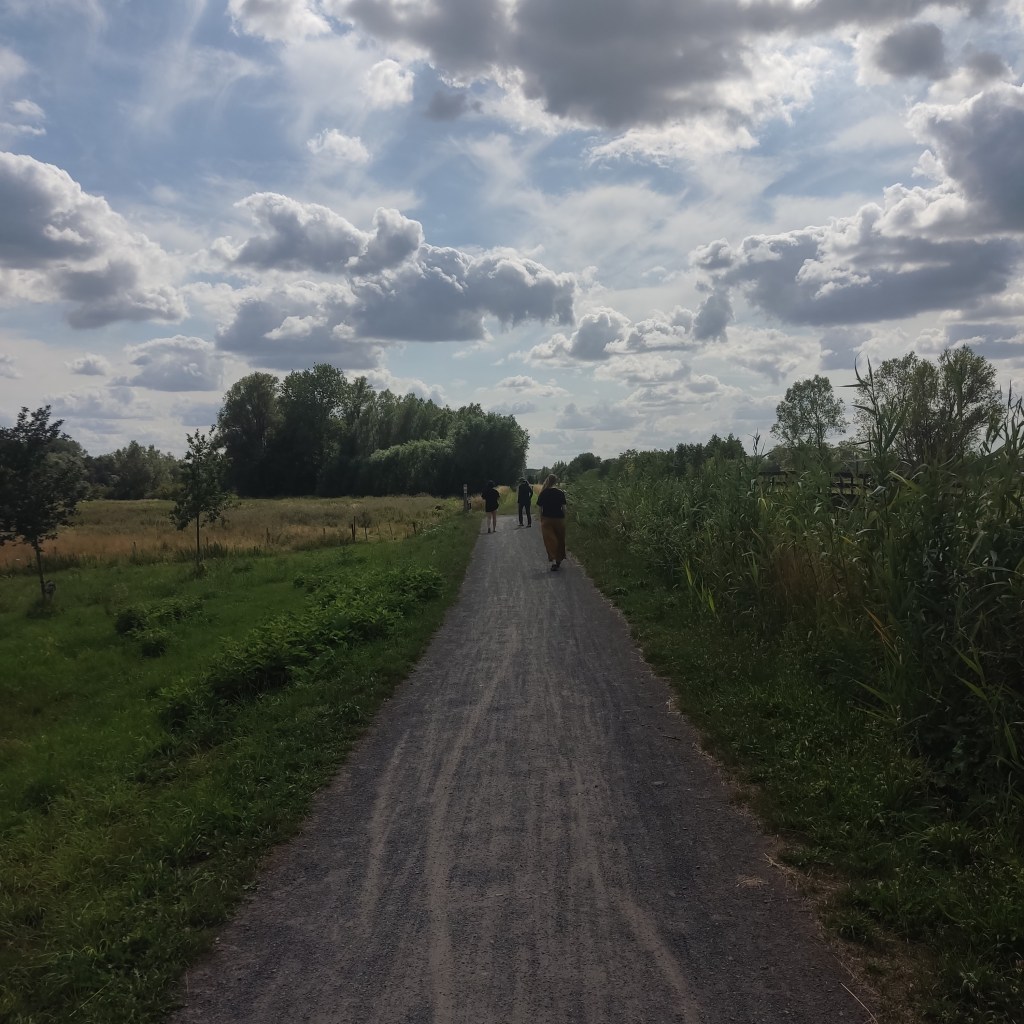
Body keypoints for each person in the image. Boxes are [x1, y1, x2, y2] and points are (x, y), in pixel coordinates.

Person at [536, 473, 567, 570]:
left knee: (550, 540)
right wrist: (564, 517)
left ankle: (554, 560)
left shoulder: (543, 493)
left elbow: (540, 508)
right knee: (560, 539)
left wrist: (541, 518)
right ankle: (559, 558)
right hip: (559, 518)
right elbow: (564, 508)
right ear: (556, 481)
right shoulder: (560, 492)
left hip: (547, 519)